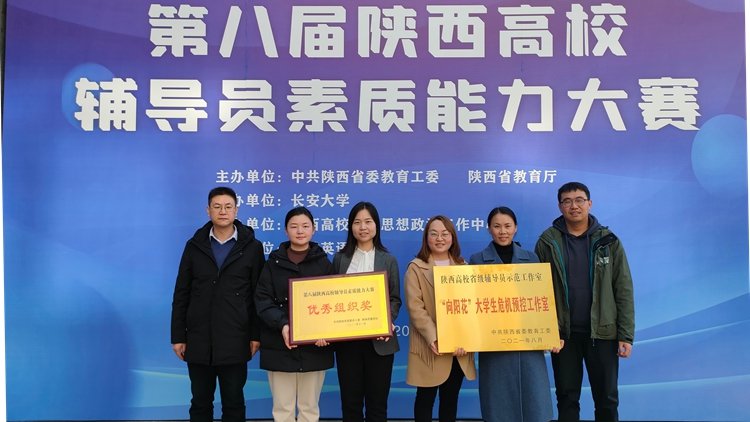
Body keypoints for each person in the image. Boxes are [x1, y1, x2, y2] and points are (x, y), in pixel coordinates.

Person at [534, 182, 635, 422]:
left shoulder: (609, 241)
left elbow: (623, 288)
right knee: (567, 398)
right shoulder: (547, 241)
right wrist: (546, 331)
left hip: (603, 333)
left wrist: (625, 334)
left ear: (589, 203)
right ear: (560, 207)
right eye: (567, 201)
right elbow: (537, 289)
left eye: (579, 200)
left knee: (607, 398)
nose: (574, 206)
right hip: (563, 335)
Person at [170, 186, 266, 422]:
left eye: (228, 206)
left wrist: (255, 335)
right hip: (198, 338)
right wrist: (178, 336)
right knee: (200, 403)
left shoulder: (252, 247)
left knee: (234, 403)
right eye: (217, 206)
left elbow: (258, 295)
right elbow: (182, 293)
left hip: (236, 338)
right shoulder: (194, 246)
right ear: (208, 210)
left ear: (236, 210)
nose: (223, 211)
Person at [469, 206, 562, 422]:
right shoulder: (477, 260)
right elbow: (472, 304)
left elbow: (543, 300)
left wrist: (551, 333)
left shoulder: (531, 259)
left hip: (528, 344)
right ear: (489, 229)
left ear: (516, 228)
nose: (503, 231)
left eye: (507, 226)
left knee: (534, 402)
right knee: (499, 406)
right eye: (497, 226)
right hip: (494, 344)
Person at [255, 207, 335, 422]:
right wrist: (283, 324)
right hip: (278, 345)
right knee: (283, 409)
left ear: (314, 229)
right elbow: (262, 301)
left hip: (315, 348)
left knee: (310, 408)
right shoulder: (272, 264)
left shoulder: (324, 264)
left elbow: (332, 304)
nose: (300, 231)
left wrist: (325, 331)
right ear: (285, 231)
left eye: (305, 226)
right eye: (294, 226)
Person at [332, 202, 402, 422]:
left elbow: (394, 299)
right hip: (347, 343)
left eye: (368, 222)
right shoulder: (340, 259)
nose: (363, 227)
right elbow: (331, 298)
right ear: (351, 227)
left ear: (376, 225)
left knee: (377, 405)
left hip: (379, 343)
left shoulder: (388, 260)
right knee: (350, 404)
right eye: (357, 222)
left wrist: (387, 320)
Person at [404, 215, 476, 422]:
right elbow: (415, 308)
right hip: (430, 346)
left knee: (450, 399)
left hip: (458, 348)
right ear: (426, 238)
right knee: (425, 399)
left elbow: (471, 307)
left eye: (445, 234)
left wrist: (463, 339)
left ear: (453, 238)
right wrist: (434, 336)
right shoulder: (416, 267)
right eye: (433, 234)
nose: (439, 238)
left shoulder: (463, 267)